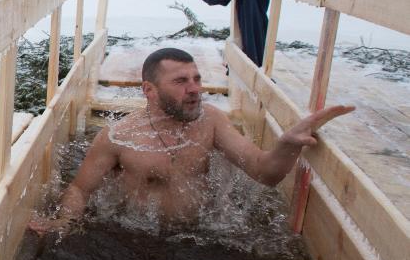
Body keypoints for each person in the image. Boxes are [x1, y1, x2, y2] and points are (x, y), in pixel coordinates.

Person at [29, 47, 354, 233]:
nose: (196, 88)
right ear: (149, 90)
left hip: (201, 238)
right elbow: (80, 189)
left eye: (197, 79)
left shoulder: (211, 121)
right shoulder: (119, 136)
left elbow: (263, 172)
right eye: (181, 81)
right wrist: (64, 222)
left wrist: (288, 144)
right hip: (133, 242)